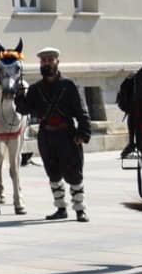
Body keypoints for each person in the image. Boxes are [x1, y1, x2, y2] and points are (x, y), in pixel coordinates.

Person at [20, 47, 91, 222]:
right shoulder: (35, 89)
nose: (47, 63)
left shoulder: (69, 85)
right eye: (43, 61)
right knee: (52, 173)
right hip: (46, 136)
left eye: (50, 60)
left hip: (67, 135)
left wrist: (83, 131)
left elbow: (81, 111)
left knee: (74, 173)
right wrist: (19, 96)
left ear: (57, 62)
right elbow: (25, 109)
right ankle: (60, 208)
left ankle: (80, 209)